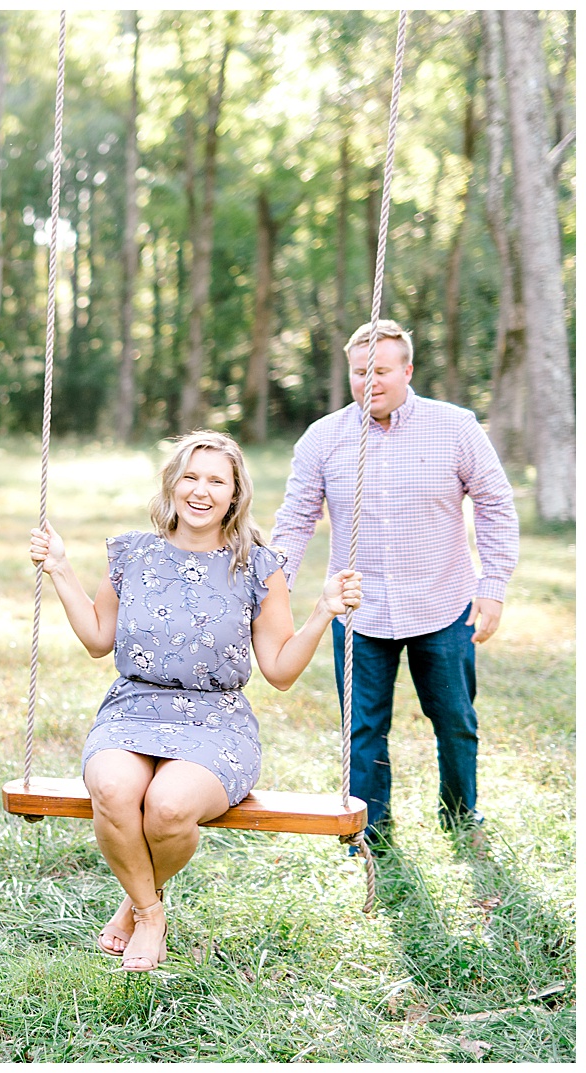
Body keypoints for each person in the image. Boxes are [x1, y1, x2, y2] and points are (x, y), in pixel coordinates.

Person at [30, 430, 361, 972]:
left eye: (216, 480)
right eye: (190, 476)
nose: (201, 491)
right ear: (172, 485)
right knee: (113, 790)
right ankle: (150, 912)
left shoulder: (258, 567)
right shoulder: (133, 554)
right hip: (133, 709)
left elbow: (279, 671)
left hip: (216, 721)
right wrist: (61, 568)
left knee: (169, 808)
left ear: (235, 495)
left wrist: (323, 611)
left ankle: (133, 904)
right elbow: (96, 638)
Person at [271, 319, 518, 852]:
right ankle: (369, 831)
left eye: (381, 371)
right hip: (362, 613)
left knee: (455, 721)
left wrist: (493, 585)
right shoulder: (324, 437)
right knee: (362, 730)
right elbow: (295, 519)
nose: (370, 381)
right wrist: (275, 588)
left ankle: (459, 815)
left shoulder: (454, 427)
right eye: (361, 372)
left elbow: (496, 504)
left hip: (444, 603)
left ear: (407, 370)